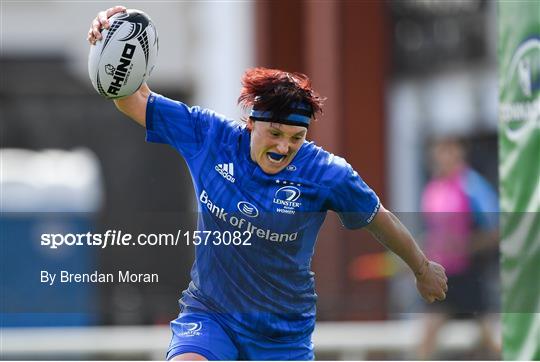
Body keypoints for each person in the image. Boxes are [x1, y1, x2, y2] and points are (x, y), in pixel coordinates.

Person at [88, 6, 448, 360]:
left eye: (296, 137)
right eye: (274, 133)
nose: (284, 146)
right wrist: (110, 43)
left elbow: (377, 216)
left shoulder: (326, 172)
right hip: (212, 316)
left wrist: (421, 267)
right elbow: (132, 100)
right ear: (251, 123)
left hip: (281, 334)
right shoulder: (209, 137)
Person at [417, 136, 500, 359]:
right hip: (442, 275)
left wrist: (466, 245)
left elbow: (495, 232)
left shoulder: (472, 186)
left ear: (459, 154)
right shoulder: (432, 191)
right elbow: (434, 234)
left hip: (469, 275)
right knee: (427, 335)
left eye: (449, 151)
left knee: (489, 338)